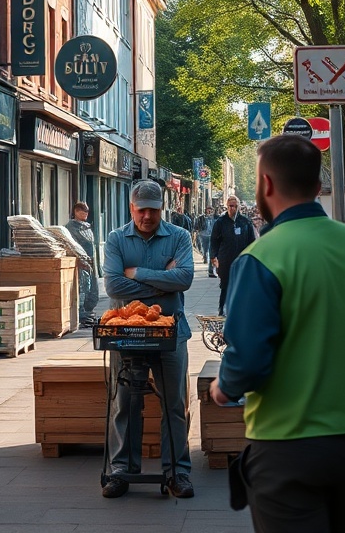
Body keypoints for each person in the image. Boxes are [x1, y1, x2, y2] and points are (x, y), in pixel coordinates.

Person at [209, 135, 345, 533]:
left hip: (286, 446)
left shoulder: (261, 259)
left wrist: (224, 388)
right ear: (317, 187)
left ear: (267, 185)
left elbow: (249, 360)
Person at [101, 179, 195, 499]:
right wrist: (162, 285)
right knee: (124, 403)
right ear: (131, 207)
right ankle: (121, 470)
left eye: (153, 211)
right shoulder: (116, 239)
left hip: (172, 333)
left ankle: (177, 472)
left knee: (174, 403)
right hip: (126, 334)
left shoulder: (179, 236)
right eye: (141, 210)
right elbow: (113, 285)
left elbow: (184, 278)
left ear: (161, 209)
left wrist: (136, 273)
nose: (147, 217)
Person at [210, 195, 257, 315]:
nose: (233, 209)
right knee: (225, 285)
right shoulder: (221, 222)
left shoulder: (245, 222)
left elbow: (252, 241)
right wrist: (213, 257)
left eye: (235, 206)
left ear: (239, 206)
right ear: (227, 206)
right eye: (230, 206)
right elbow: (214, 241)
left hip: (242, 259)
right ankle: (222, 309)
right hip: (225, 259)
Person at [66, 201, 99, 326]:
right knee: (83, 287)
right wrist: (80, 260)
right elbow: (72, 246)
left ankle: (88, 312)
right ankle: (81, 313)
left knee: (92, 288)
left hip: (91, 262)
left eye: (87, 211)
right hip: (81, 263)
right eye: (82, 211)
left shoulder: (87, 227)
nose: (85, 213)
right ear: (76, 211)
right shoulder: (71, 228)